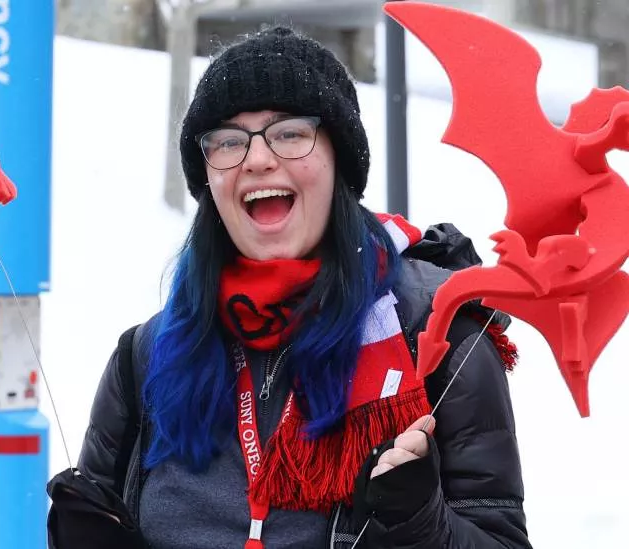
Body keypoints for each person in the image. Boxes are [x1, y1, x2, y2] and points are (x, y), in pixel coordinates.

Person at [73, 26, 530, 548]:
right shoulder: (147, 356)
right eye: (227, 141)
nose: (257, 159)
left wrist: (419, 525)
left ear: (340, 163)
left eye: (289, 133)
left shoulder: (440, 332)